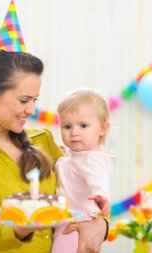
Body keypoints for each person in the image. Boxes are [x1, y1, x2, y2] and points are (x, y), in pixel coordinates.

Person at [0, 49, 108, 253]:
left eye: (34, 100)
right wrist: (28, 220)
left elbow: (84, 187)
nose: (32, 110)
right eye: (24, 100)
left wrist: (102, 225)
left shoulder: (43, 139)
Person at [51, 88, 115, 253]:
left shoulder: (93, 160)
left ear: (102, 128)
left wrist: (101, 197)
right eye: (67, 126)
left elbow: (98, 179)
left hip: (75, 228)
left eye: (83, 125)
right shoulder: (77, 157)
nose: (74, 132)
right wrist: (64, 158)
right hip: (68, 225)